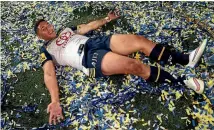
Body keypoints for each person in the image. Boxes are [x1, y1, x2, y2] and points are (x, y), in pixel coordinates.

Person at [34, 10, 207, 125]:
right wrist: (55, 100)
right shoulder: (46, 50)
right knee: (134, 65)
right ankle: (182, 81)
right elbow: (49, 73)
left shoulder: (67, 30)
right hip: (86, 58)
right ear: (39, 36)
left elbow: (88, 26)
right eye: (42, 29)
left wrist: (107, 19)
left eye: (47, 24)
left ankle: (185, 59)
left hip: (95, 42)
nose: (47, 28)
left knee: (139, 40)